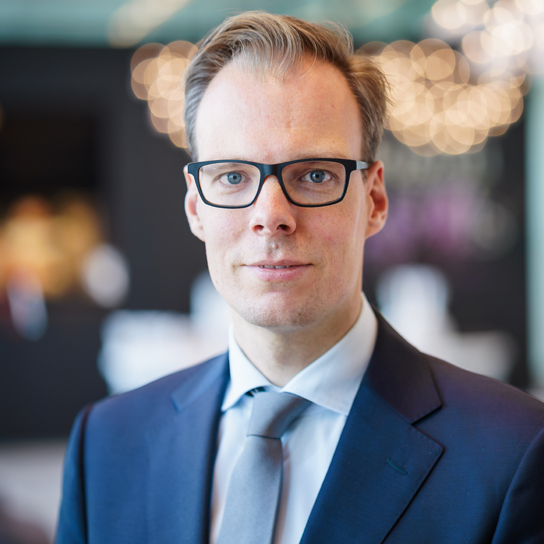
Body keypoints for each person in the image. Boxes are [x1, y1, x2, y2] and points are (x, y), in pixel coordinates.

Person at [56, 11, 544, 544]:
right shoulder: (106, 445)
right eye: (233, 176)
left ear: (375, 200)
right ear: (196, 208)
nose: (271, 216)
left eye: (314, 174)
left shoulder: (513, 452)